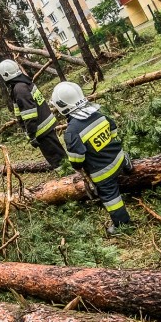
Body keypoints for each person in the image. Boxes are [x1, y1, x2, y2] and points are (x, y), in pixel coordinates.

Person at [50, 82, 133, 236]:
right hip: (118, 155)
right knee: (120, 157)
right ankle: (126, 163)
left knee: (110, 196)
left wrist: (81, 169)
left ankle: (123, 224)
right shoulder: (97, 113)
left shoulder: (72, 131)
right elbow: (113, 129)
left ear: (62, 106)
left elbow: (77, 160)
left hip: (103, 172)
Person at [0, 59, 66, 169]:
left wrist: (31, 134)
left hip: (41, 130)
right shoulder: (24, 83)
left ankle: (71, 179)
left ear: (6, 75)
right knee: (59, 155)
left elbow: (29, 114)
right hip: (46, 127)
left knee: (57, 160)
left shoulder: (19, 89)